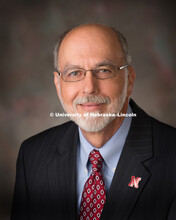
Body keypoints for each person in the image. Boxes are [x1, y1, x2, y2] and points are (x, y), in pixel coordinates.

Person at [11, 23, 176, 220]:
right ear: (58, 84)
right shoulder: (32, 157)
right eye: (74, 73)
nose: (89, 88)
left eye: (104, 70)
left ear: (129, 79)